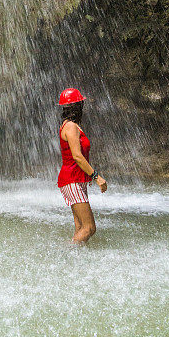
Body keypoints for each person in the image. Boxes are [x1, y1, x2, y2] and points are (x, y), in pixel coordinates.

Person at [57, 87, 107, 243]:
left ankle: (74, 261)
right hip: (72, 180)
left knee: (80, 227)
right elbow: (77, 156)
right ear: (77, 107)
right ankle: (64, 256)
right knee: (89, 228)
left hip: (75, 179)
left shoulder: (69, 125)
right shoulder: (71, 127)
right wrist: (96, 177)